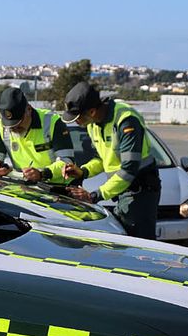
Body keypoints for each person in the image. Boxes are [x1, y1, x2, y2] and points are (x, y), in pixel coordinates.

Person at [61, 81, 161, 240]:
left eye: (78, 117)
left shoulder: (126, 120)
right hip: (120, 191)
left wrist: (94, 196)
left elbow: (129, 170)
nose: (75, 122)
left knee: (139, 245)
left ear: (92, 111)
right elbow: (102, 159)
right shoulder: (93, 124)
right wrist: (83, 171)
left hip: (140, 190)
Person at [0, 86, 78, 184]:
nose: (14, 129)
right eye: (10, 126)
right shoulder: (1, 126)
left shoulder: (53, 122)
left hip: (58, 190)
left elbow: (67, 162)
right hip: (24, 188)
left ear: (28, 109)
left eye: (18, 124)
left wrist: (42, 174)